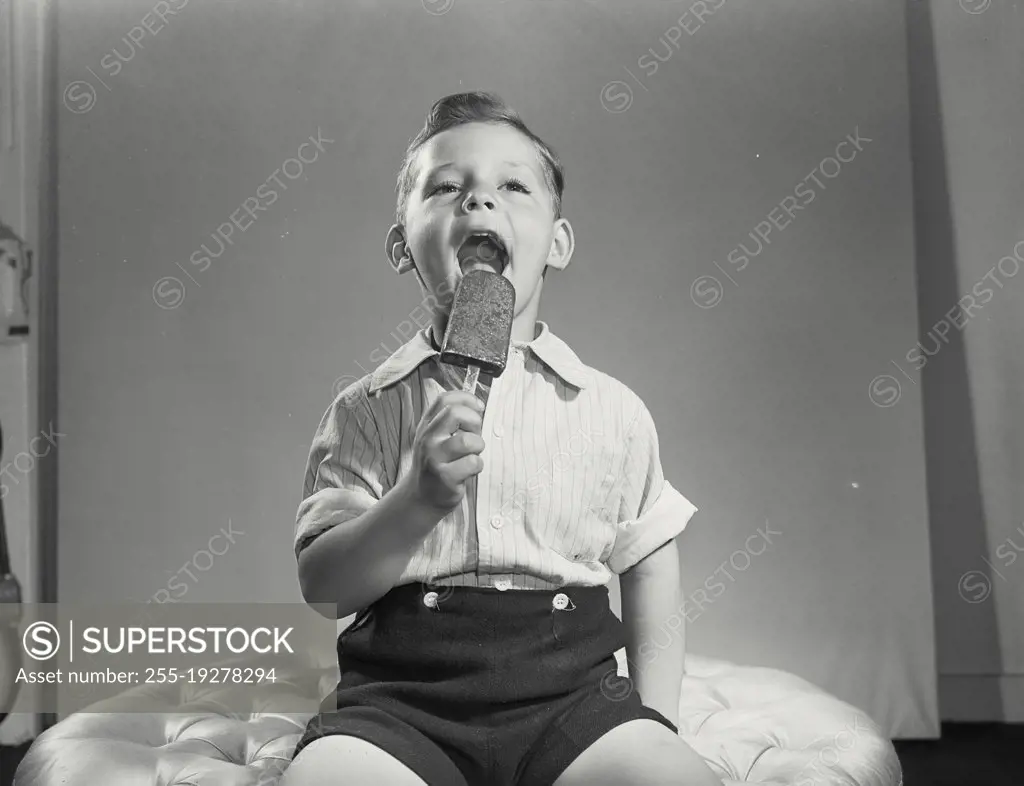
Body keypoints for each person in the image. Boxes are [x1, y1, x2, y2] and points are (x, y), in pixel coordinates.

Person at [282, 92, 722, 786]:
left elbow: (650, 565)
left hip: (573, 701)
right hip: (401, 702)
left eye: (512, 186)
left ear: (558, 241)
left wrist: (655, 722)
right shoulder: (366, 409)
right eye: (448, 187)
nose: (479, 203)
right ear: (402, 245)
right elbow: (326, 588)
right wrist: (415, 501)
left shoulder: (612, 410)